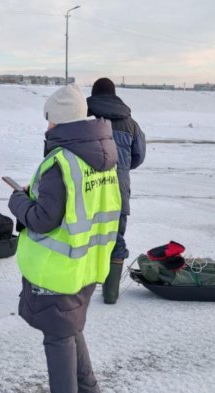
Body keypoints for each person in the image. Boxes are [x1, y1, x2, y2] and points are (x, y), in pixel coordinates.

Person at [8, 83, 121, 393]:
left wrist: (17, 202)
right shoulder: (104, 152)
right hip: (87, 263)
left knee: (58, 338)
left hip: (57, 268)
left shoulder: (60, 161)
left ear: (57, 121)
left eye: (49, 120)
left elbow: (43, 219)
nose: (47, 127)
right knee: (70, 329)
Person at [86, 77, 146, 304]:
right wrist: (120, 168)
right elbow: (138, 157)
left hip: (88, 188)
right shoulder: (131, 124)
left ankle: (82, 289)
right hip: (118, 191)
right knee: (116, 238)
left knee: (84, 236)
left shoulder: (86, 119)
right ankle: (110, 294)